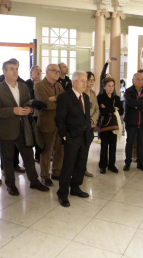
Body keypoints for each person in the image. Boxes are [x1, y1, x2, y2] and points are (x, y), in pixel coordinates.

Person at [0, 60, 49, 196]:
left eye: (16, 68)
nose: (15, 71)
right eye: (11, 69)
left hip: (24, 128)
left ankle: (34, 181)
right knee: (8, 158)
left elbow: (27, 102)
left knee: (28, 156)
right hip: (6, 129)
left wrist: (29, 108)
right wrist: (13, 111)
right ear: (4, 71)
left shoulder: (23, 87)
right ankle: (10, 184)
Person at [55, 71, 94, 207]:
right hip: (71, 137)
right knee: (68, 166)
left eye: (86, 81)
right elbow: (60, 119)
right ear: (74, 82)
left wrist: (89, 132)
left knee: (81, 164)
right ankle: (63, 193)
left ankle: (76, 188)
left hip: (85, 137)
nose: (85, 83)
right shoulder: (64, 97)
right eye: (82, 81)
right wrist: (65, 136)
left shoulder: (86, 97)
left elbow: (86, 117)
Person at [34, 64, 64, 187]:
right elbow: (44, 104)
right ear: (47, 71)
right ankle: (45, 175)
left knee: (60, 149)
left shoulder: (59, 85)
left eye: (58, 71)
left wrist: (54, 98)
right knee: (46, 151)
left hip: (59, 123)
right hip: (46, 122)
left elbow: (65, 100)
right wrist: (56, 101)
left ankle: (56, 172)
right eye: (55, 71)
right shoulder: (39, 85)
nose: (57, 73)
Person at [123, 73, 143, 172]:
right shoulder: (128, 91)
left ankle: (140, 163)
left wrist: (137, 105)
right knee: (130, 143)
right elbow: (130, 103)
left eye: (142, 79)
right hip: (131, 122)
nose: (140, 81)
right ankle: (127, 162)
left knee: (141, 144)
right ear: (133, 80)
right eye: (138, 79)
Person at [97, 77, 124, 174]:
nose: (111, 88)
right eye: (109, 86)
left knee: (113, 146)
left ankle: (112, 165)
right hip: (105, 125)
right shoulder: (100, 98)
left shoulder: (116, 97)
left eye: (112, 86)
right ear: (104, 86)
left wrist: (109, 108)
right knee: (104, 146)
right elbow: (102, 111)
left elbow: (121, 111)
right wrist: (113, 108)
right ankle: (102, 165)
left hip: (114, 125)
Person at [25, 65, 42, 163]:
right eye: (36, 70)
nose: (38, 72)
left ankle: (39, 156)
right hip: (30, 113)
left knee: (39, 135)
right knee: (30, 136)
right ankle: (28, 158)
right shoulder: (27, 83)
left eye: (40, 70)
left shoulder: (44, 83)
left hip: (40, 113)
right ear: (31, 73)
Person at [84, 71, 99, 177]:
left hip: (90, 125)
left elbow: (96, 109)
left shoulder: (93, 93)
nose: (92, 81)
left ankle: (83, 169)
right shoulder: (80, 92)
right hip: (81, 125)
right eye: (90, 79)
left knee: (86, 148)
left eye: (93, 79)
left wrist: (93, 120)